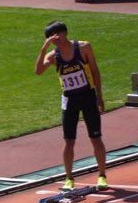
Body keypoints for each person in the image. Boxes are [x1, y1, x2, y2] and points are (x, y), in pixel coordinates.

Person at [34, 20, 108, 190]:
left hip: (88, 96)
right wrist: (44, 49)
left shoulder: (83, 47)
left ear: (65, 32)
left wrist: (99, 96)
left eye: (57, 34)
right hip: (69, 100)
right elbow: (38, 71)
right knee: (69, 140)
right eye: (51, 37)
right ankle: (69, 178)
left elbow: (95, 71)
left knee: (95, 137)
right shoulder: (53, 56)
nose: (55, 39)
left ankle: (102, 176)